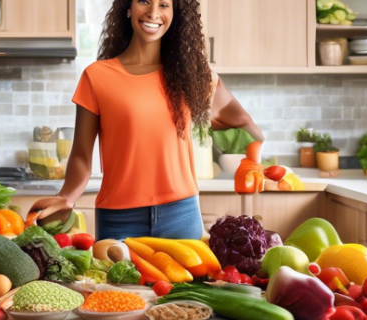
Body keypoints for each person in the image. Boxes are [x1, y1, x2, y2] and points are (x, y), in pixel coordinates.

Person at [28, 0, 263, 240]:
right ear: (127, 8)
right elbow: (80, 155)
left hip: (181, 215)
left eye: (164, 5)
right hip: (118, 219)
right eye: (144, 1)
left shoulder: (193, 77)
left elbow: (247, 126)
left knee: (188, 280)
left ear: (175, 14)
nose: (153, 13)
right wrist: (66, 197)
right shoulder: (97, 76)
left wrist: (252, 163)